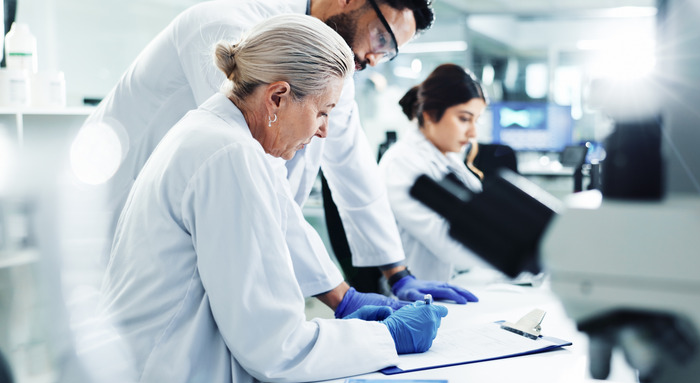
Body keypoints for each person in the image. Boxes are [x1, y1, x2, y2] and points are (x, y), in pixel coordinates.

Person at [99, 15, 448, 383]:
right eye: (322, 112)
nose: (323, 132)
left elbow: (281, 225)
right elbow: (276, 347)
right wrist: (386, 339)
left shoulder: (219, 139)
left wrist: (349, 303)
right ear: (278, 97)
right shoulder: (228, 155)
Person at [75, 0, 477, 311]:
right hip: (123, 231)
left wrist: (398, 272)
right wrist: (341, 297)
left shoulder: (334, 65)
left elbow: (354, 170)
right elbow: (252, 171)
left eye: (389, 54)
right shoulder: (233, 25)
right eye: (382, 39)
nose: (375, 59)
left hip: (200, 241)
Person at [378, 63, 495, 282]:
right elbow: (448, 242)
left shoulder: (449, 159)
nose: (472, 133)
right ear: (431, 114)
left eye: (475, 121)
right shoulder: (401, 163)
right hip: (424, 295)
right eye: (464, 119)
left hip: (467, 281)